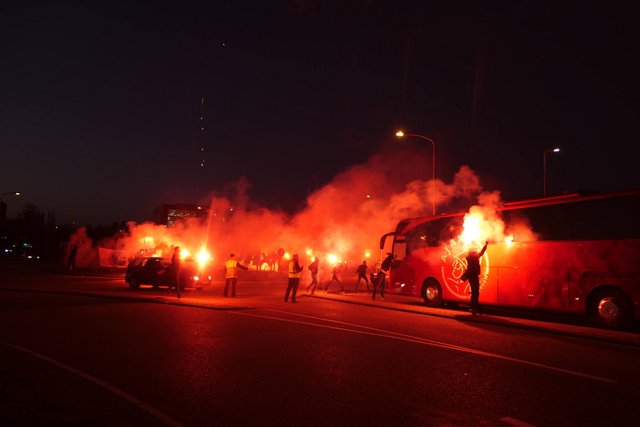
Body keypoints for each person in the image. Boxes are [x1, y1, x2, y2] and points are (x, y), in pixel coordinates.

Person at [462, 241, 489, 315]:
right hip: (473, 276)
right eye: (474, 250)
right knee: (475, 292)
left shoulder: (469, 257)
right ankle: (474, 309)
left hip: (471, 275)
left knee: (474, 292)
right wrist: (486, 245)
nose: (476, 251)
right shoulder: (473, 257)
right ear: (472, 252)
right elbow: (482, 252)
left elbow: (480, 253)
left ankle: (473, 308)